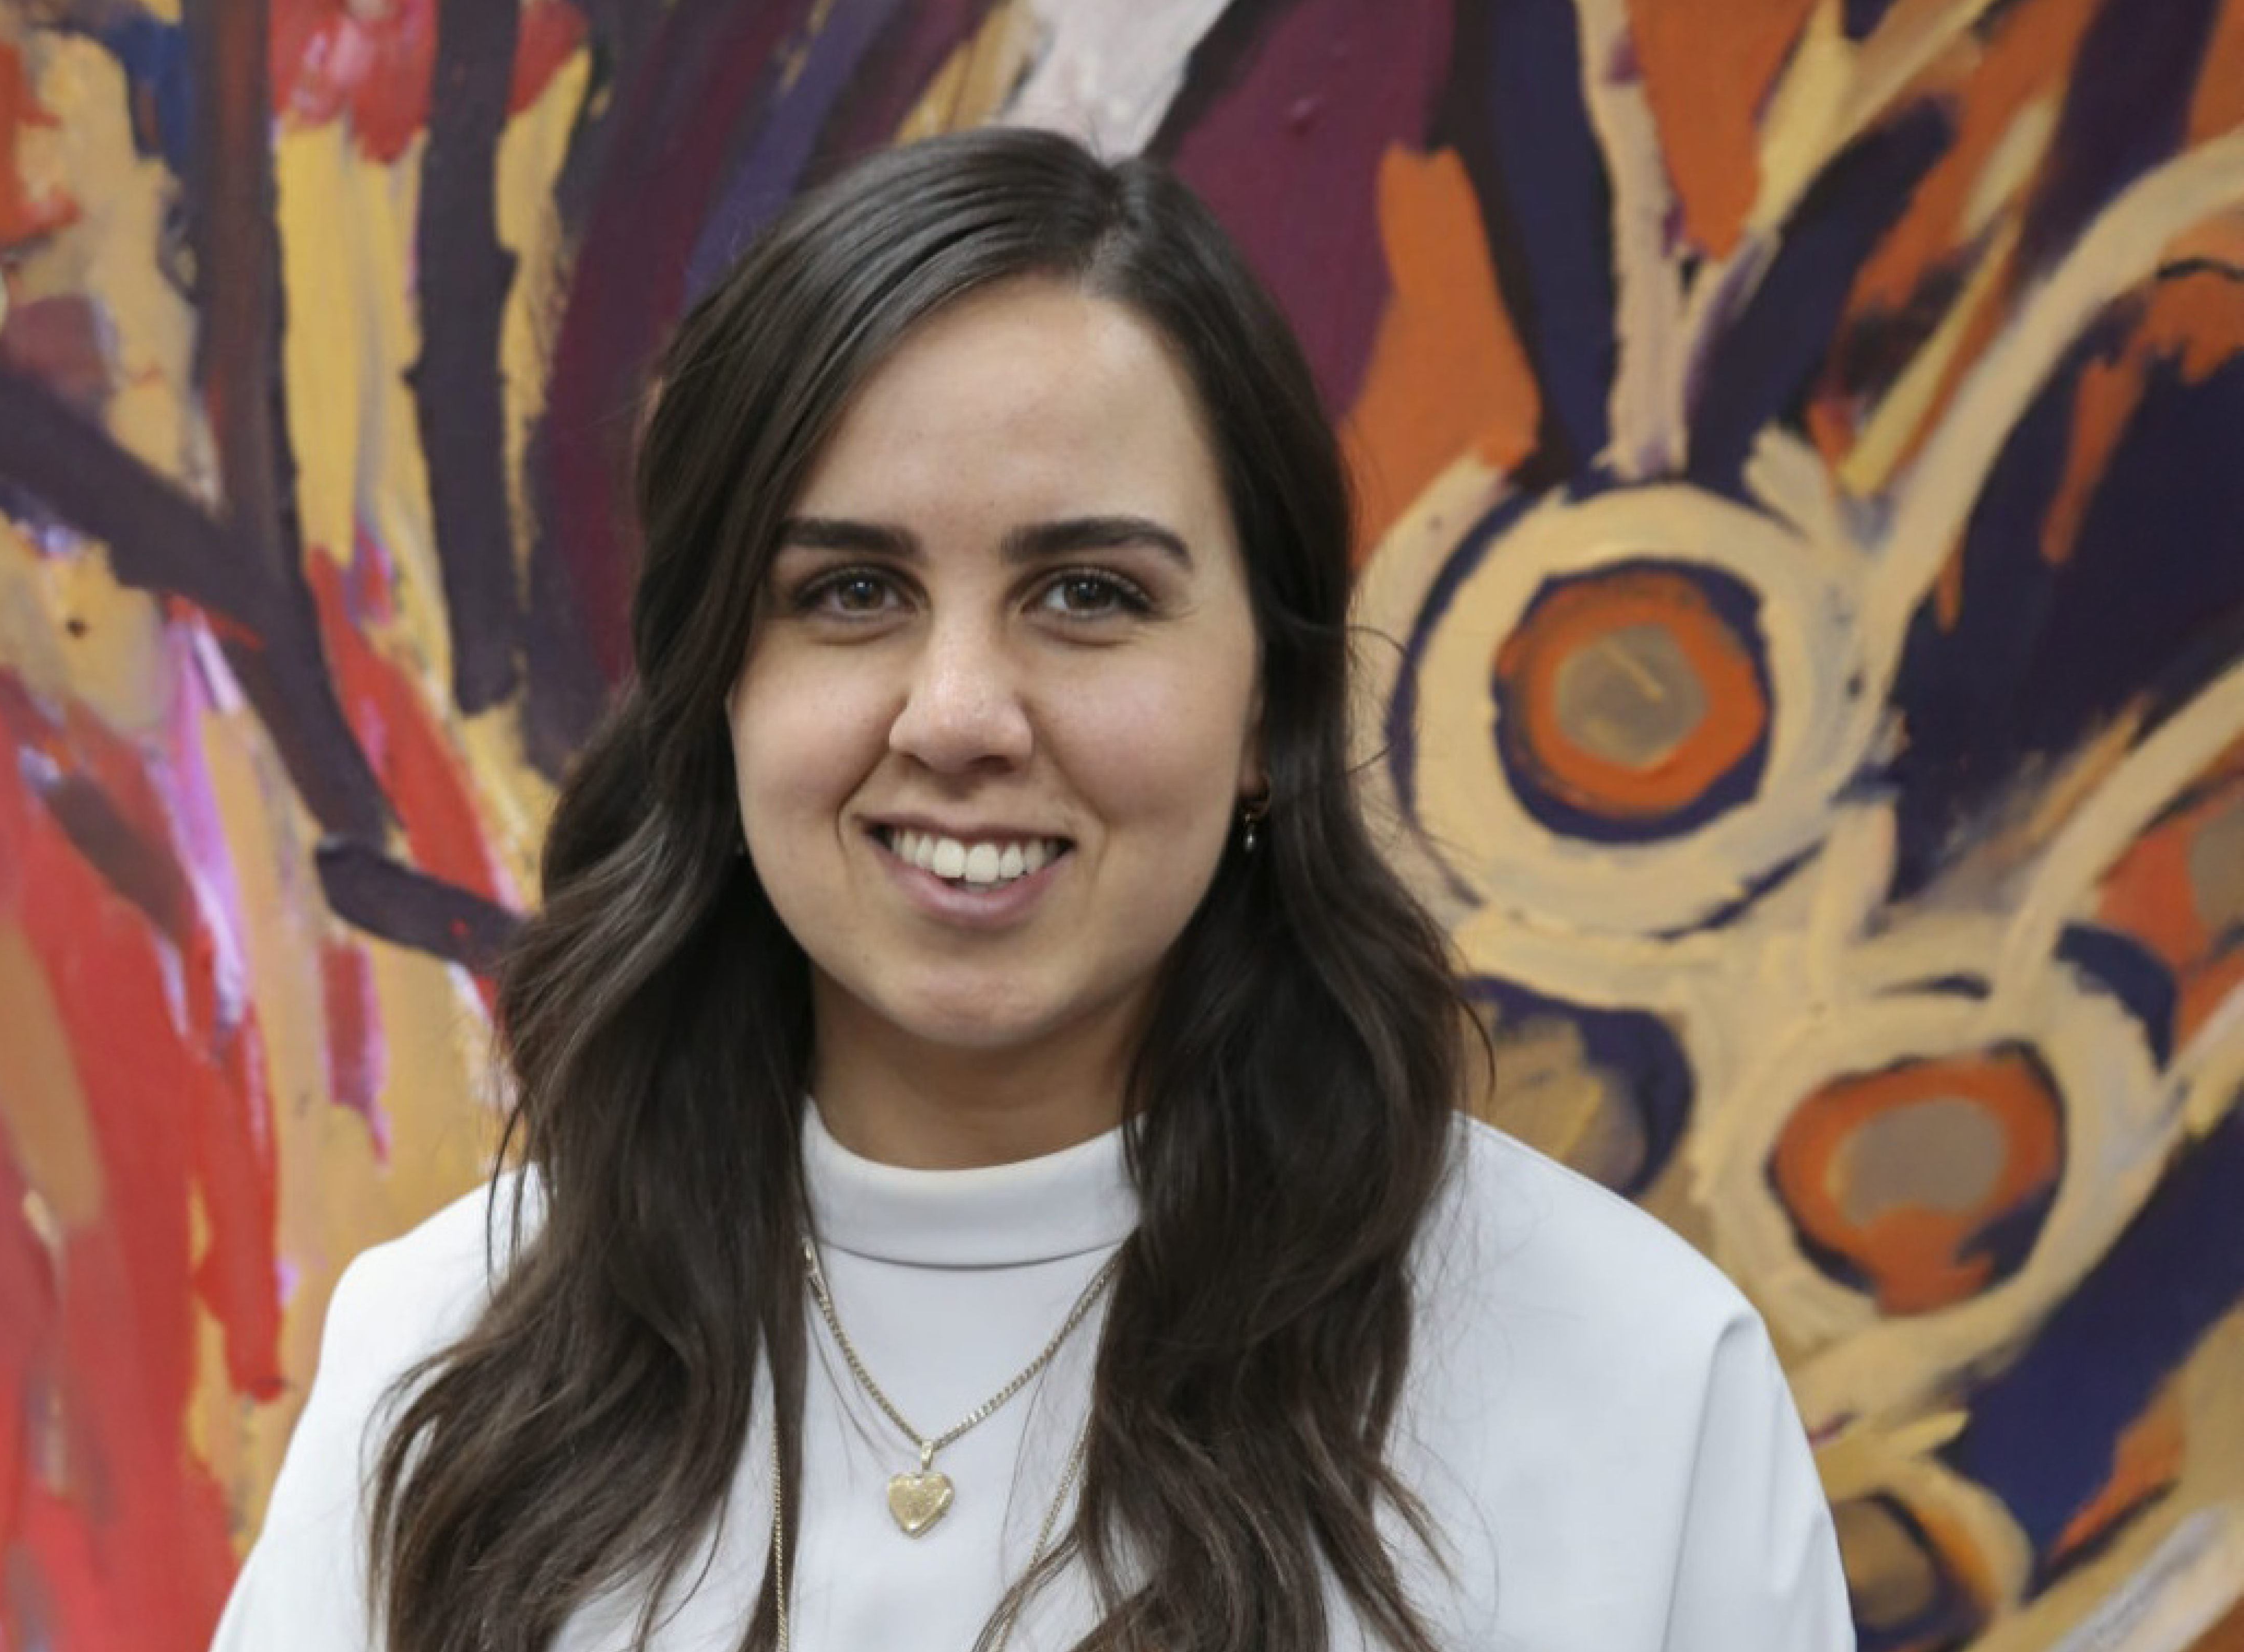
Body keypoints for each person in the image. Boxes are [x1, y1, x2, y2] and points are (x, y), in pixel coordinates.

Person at [210, 127, 1854, 1651]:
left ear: (1272, 710)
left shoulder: (1640, 1387)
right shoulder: (444, 1355)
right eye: (850, 591)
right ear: (722, 692)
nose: (960, 719)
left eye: (1087, 593)